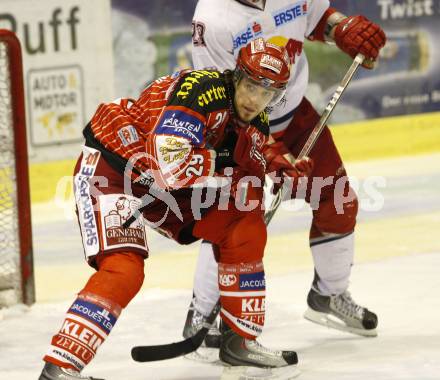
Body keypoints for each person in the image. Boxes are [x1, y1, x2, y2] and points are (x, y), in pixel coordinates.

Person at [38, 38, 314, 380]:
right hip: (112, 169)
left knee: (243, 218)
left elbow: (250, 159)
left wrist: (275, 164)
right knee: (124, 269)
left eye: (268, 94)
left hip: (159, 187)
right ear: (236, 76)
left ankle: (239, 342)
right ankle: (60, 368)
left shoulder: (255, 120)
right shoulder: (200, 92)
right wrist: (230, 159)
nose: (255, 100)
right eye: (252, 86)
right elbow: (167, 167)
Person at [184, 0, 387, 348]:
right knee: (233, 223)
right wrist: (266, 151)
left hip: (296, 118)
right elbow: (219, 98)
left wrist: (341, 29)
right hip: (243, 129)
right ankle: (201, 316)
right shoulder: (213, 18)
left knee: (337, 201)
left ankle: (329, 295)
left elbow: (316, 17)